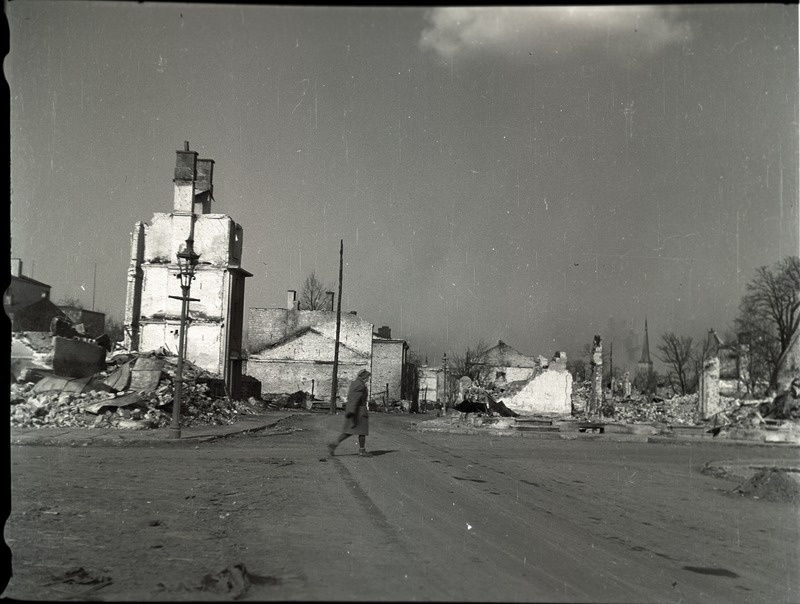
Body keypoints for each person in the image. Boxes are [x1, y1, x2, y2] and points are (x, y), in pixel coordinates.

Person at [328, 369, 372, 457]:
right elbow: (355, 398)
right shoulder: (360, 386)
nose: (368, 379)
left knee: (349, 431)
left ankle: (335, 444)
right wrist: (352, 411)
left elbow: (352, 398)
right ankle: (362, 451)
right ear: (364, 377)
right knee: (362, 431)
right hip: (359, 411)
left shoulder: (356, 384)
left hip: (355, 410)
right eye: (367, 377)